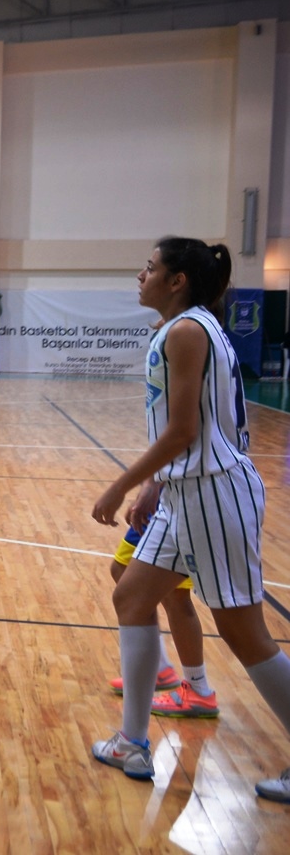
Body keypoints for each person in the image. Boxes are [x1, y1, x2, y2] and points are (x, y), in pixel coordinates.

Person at [89, 238, 289, 803]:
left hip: (214, 493)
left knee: (245, 634)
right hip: (186, 493)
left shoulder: (186, 331)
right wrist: (156, 484)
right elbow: (189, 425)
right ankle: (132, 742)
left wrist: (122, 483)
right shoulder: (187, 327)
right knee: (131, 597)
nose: (141, 275)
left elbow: (184, 431)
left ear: (177, 281)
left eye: (150, 267)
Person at [104, 521, 217, 718]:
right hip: (164, 507)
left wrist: (137, 496)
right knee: (123, 570)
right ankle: (161, 669)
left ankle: (197, 688)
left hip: (177, 510)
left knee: (176, 594)